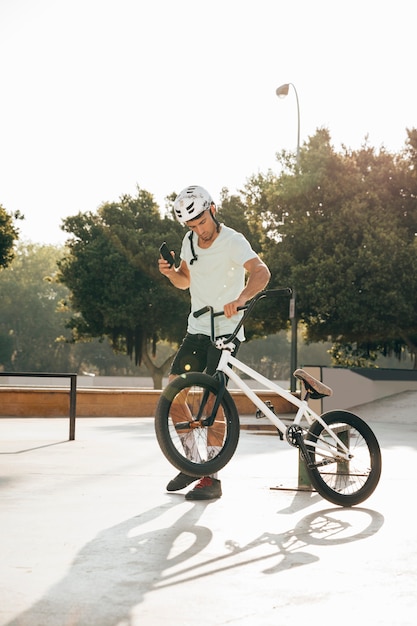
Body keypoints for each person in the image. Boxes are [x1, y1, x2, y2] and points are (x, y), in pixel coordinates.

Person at [158, 185, 270, 500]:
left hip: (226, 329)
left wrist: (243, 297)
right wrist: (170, 274)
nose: (199, 230)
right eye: (191, 226)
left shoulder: (233, 241)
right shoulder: (190, 240)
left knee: (212, 397)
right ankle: (191, 462)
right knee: (173, 388)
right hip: (197, 327)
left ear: (213, 209)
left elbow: (261, 272)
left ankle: (212, 477)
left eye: (201, 222)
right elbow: (185, 279)